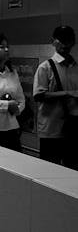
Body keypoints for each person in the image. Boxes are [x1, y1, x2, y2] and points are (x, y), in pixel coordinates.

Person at [33, 24, 78, 168]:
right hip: (51, 129)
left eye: (69, 40)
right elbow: (38, 95)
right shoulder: (45, 67)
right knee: (50, 168)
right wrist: (66, 93)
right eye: (61, 40)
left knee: (72, 168)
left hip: (72, 128)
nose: (65, 44)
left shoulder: (75, 67)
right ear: (53, 41)